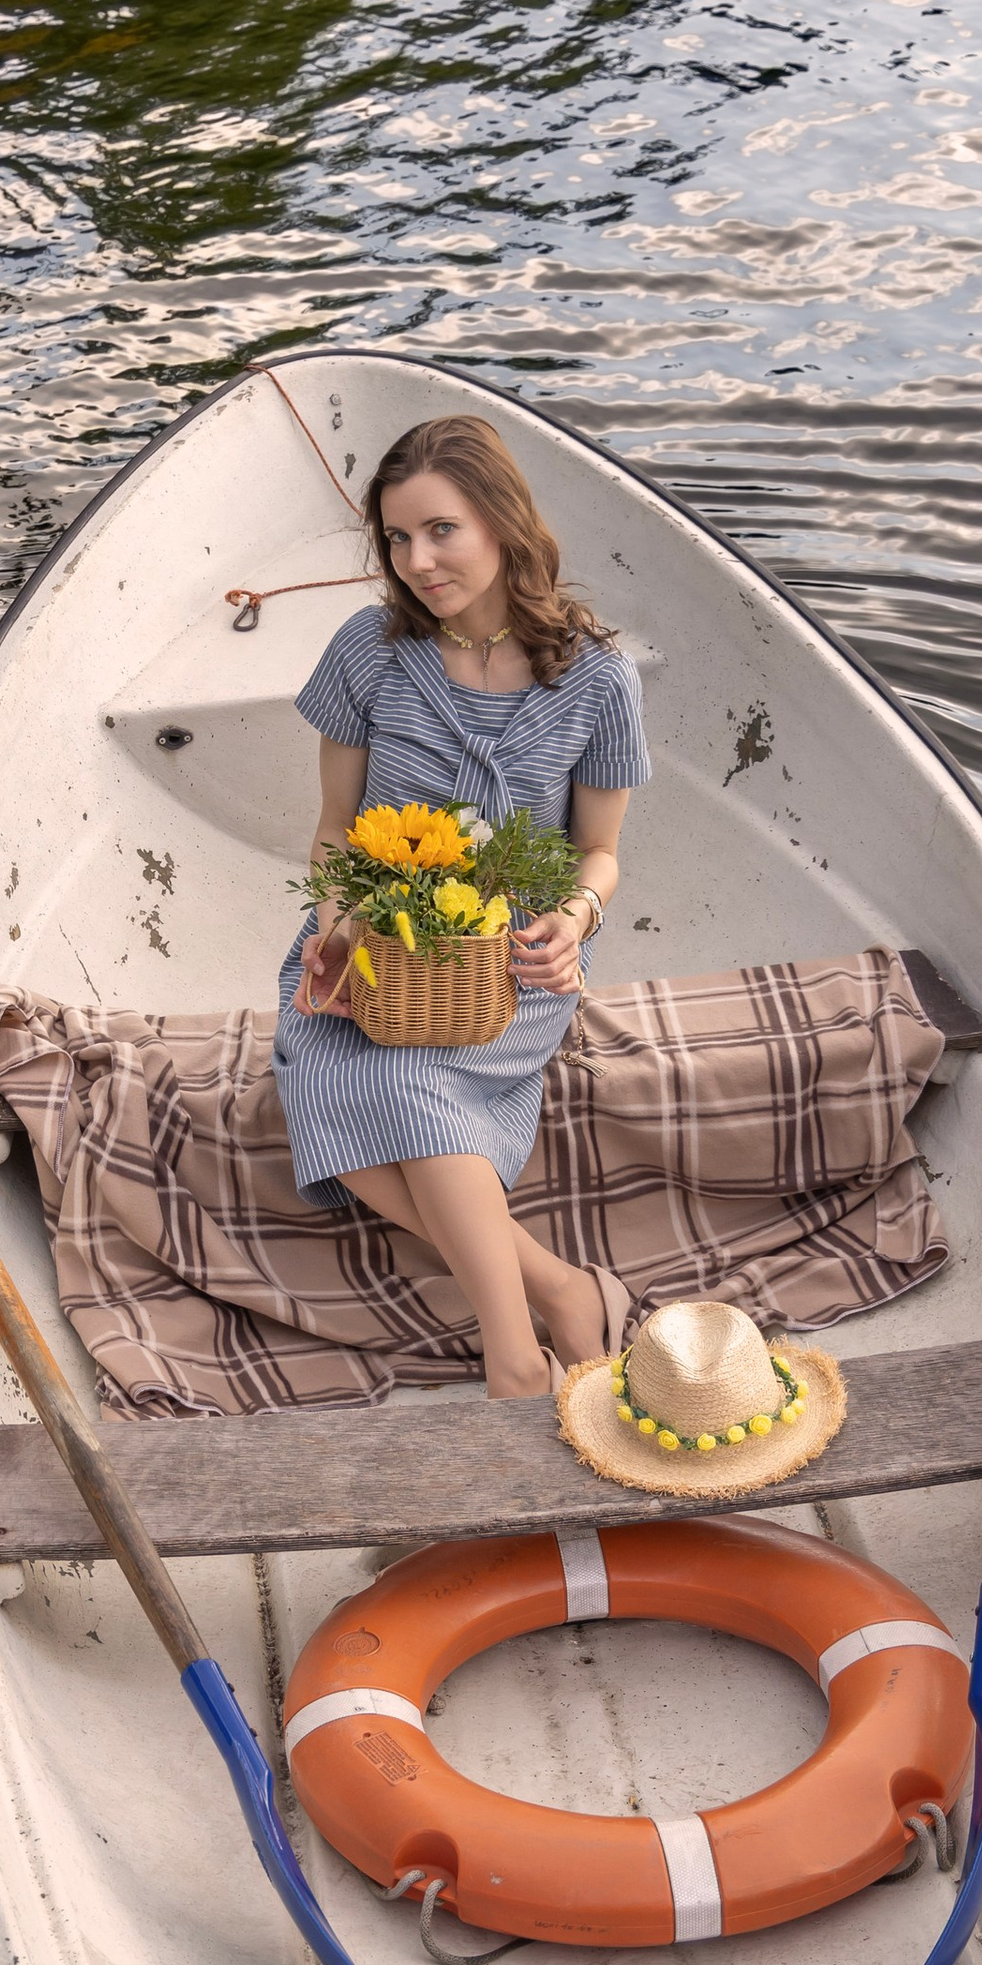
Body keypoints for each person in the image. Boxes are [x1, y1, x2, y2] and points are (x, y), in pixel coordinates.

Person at [272, 412, 648, 1397]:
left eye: (442, 530)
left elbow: (601, 854)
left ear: (502, 522)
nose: (418, 562)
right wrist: (333, 928)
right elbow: (334, 830)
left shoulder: (598, 679)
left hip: (510, 963)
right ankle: (561, 1292)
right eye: (398, 538)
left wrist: (575, 921)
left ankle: (511, 1358)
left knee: (402, 1089)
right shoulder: (369, 651)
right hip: (373, 949)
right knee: (322, 1086)